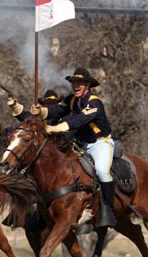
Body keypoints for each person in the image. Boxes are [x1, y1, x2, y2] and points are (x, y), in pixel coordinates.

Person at [30, 68, 117, 229]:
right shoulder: (72, 100)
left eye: (80, 83)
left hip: (99, 144)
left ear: (88, 85)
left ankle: (108, 209)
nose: (76, 85)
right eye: (74, 82)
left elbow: (80, 119)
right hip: (80, 143)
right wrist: (42, 112)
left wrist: (57, 128)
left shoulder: (94, 102)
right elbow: (57, 110)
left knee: (102, 171)